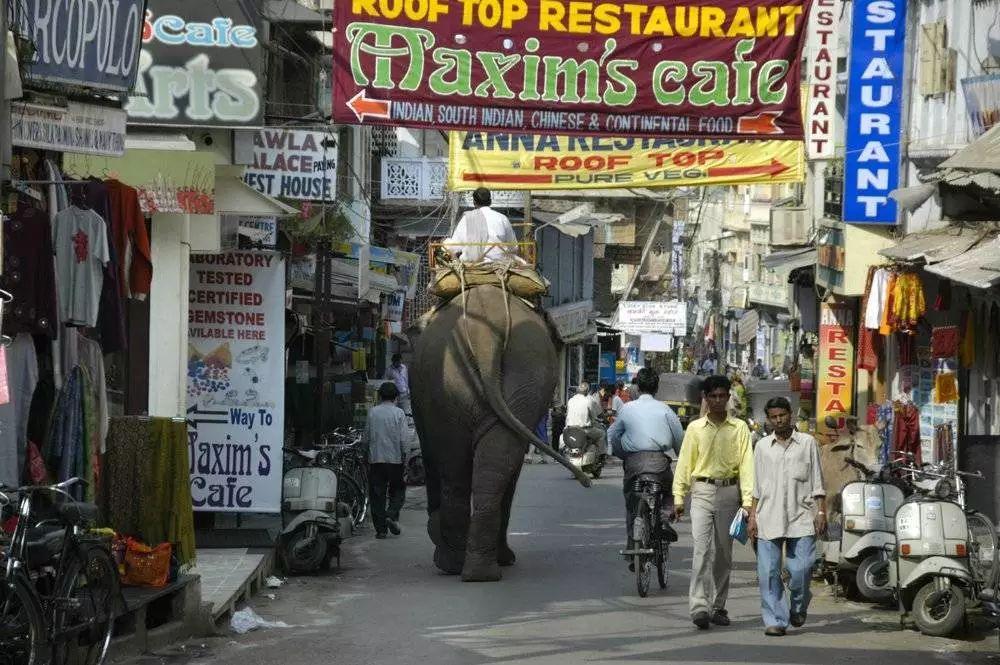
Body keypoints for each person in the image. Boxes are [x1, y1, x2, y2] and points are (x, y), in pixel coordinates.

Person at [673, 374, 754, 630]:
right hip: (702, 492)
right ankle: (699, 607)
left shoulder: (740, 428)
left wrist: (749, 501)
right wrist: (678, 496)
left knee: (723, 553)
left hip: (730, 493)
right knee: (701, 550)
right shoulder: (695, 429)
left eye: (723, 396)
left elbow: (747, 465)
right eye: (714, 396)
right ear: (705, 399)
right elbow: (685, 463)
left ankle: (718, 606)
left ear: (729, 397)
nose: (718, 400)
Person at [749, 397, 826, 636]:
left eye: (782, 415)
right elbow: (757, 486)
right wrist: (752, 516)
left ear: (790, 415)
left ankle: (798, 605)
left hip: (802, 515)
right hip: (768, 516)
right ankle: (775, 620)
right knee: (769, 572)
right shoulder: (761, 446)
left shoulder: (807, 443)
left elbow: (817, 482)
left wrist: (821, 511)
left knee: (801, 569)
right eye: (773, 417)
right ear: (768, 419)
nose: (778, 420)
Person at [608, 368, 685, 561]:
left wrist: (622, 454)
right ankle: (665, 518)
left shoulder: (627, 408)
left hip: (633, 464)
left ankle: (630, 546)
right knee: (669, 490)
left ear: (637, 387)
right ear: (656, 388)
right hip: (659, 463)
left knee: (631, 503)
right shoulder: (665, 409)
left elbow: (613, 435)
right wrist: (681, 455)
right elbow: (679, 439)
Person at [364, 382, 409, 539]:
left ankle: (381, 530)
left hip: (376, 459)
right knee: (398, 491)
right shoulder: (399, 413)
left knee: (377, 495)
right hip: (395, 460)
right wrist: (406, 457)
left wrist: (365, 455)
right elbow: (404, 439)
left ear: (380, 396)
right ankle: (391, 514)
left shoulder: (372, 412)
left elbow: (367, 438)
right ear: (396, 397)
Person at [442, 187, 518, 263]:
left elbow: (456, 246)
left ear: (474, 202)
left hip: (473, 263)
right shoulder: (502, 218)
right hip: (499, 263)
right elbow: (514, 247)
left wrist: (445, 243)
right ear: (490, 201)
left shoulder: (467, 218)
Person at [565, 382, 606, 455]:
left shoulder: (570, 400)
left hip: (570, 429)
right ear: (587, 392)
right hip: (584, 429)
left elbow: (567, 415)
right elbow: (593, 417)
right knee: (602, 434)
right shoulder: (588, 401)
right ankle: (601, 455)